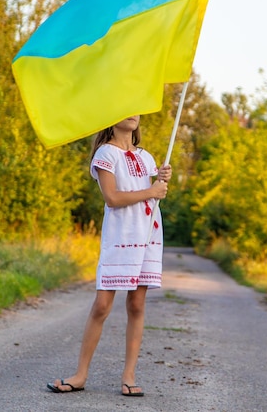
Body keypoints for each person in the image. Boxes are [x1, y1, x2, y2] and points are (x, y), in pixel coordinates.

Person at [47, 115, 172, 397]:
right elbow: (112, 198)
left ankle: (129, 375)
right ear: (112, 117)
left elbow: (153, 194)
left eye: (136, 108)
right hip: (121, 236)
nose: (133, 112)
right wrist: (152, 189)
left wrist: (161, 180)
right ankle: (80, 375)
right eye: (125, 107)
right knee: (103, 304)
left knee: (137, 304)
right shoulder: (106, 153)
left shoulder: (147, 156)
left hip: (148, 235)